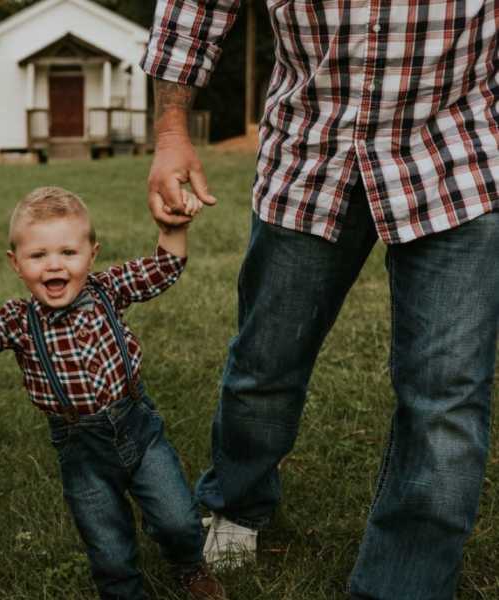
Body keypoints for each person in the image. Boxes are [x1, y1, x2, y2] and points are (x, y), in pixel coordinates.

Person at [141, 1, 499, 598]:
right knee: (266, 361)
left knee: (447, 396)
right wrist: (172, 132)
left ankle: (402, 582)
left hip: (456, 150)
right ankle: (238, 501)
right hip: (310, 151)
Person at [0, 186, 226, 600]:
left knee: (178, 518)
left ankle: (189, 567)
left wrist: (171, 228)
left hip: (137, 426)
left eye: (68, 253)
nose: (54, 265)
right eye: (38, 256)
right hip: (80, 448)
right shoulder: (18, 320)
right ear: (16, 264)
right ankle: (123, 592)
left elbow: (161, 270)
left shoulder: (107, 289)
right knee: (106, 544)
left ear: (92, 254)